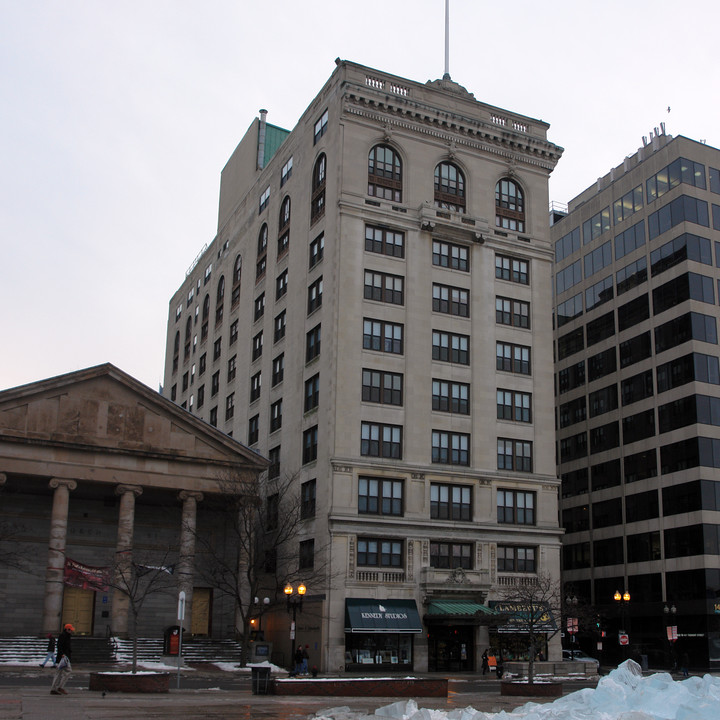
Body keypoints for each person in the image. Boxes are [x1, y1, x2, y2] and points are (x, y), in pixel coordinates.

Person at [50, 624, 74, 695]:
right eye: (71, 630)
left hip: (64, 657)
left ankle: (54, 688)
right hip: (63, 658)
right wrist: (62, 654)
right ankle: (59, 687)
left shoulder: (67, 636)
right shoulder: (63, 636)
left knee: (59, 673)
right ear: (67, 629)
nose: (71, 631)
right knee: (67, 671)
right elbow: (59, 645)